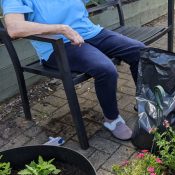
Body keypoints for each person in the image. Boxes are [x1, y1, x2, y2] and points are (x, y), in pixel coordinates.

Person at [1, 0, 145, 141]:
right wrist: (61, 28)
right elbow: (15, 28)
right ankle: (112, 119)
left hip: (91, 32)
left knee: (141, 52)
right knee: (105, 69)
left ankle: (144, 102)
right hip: (59, 45)